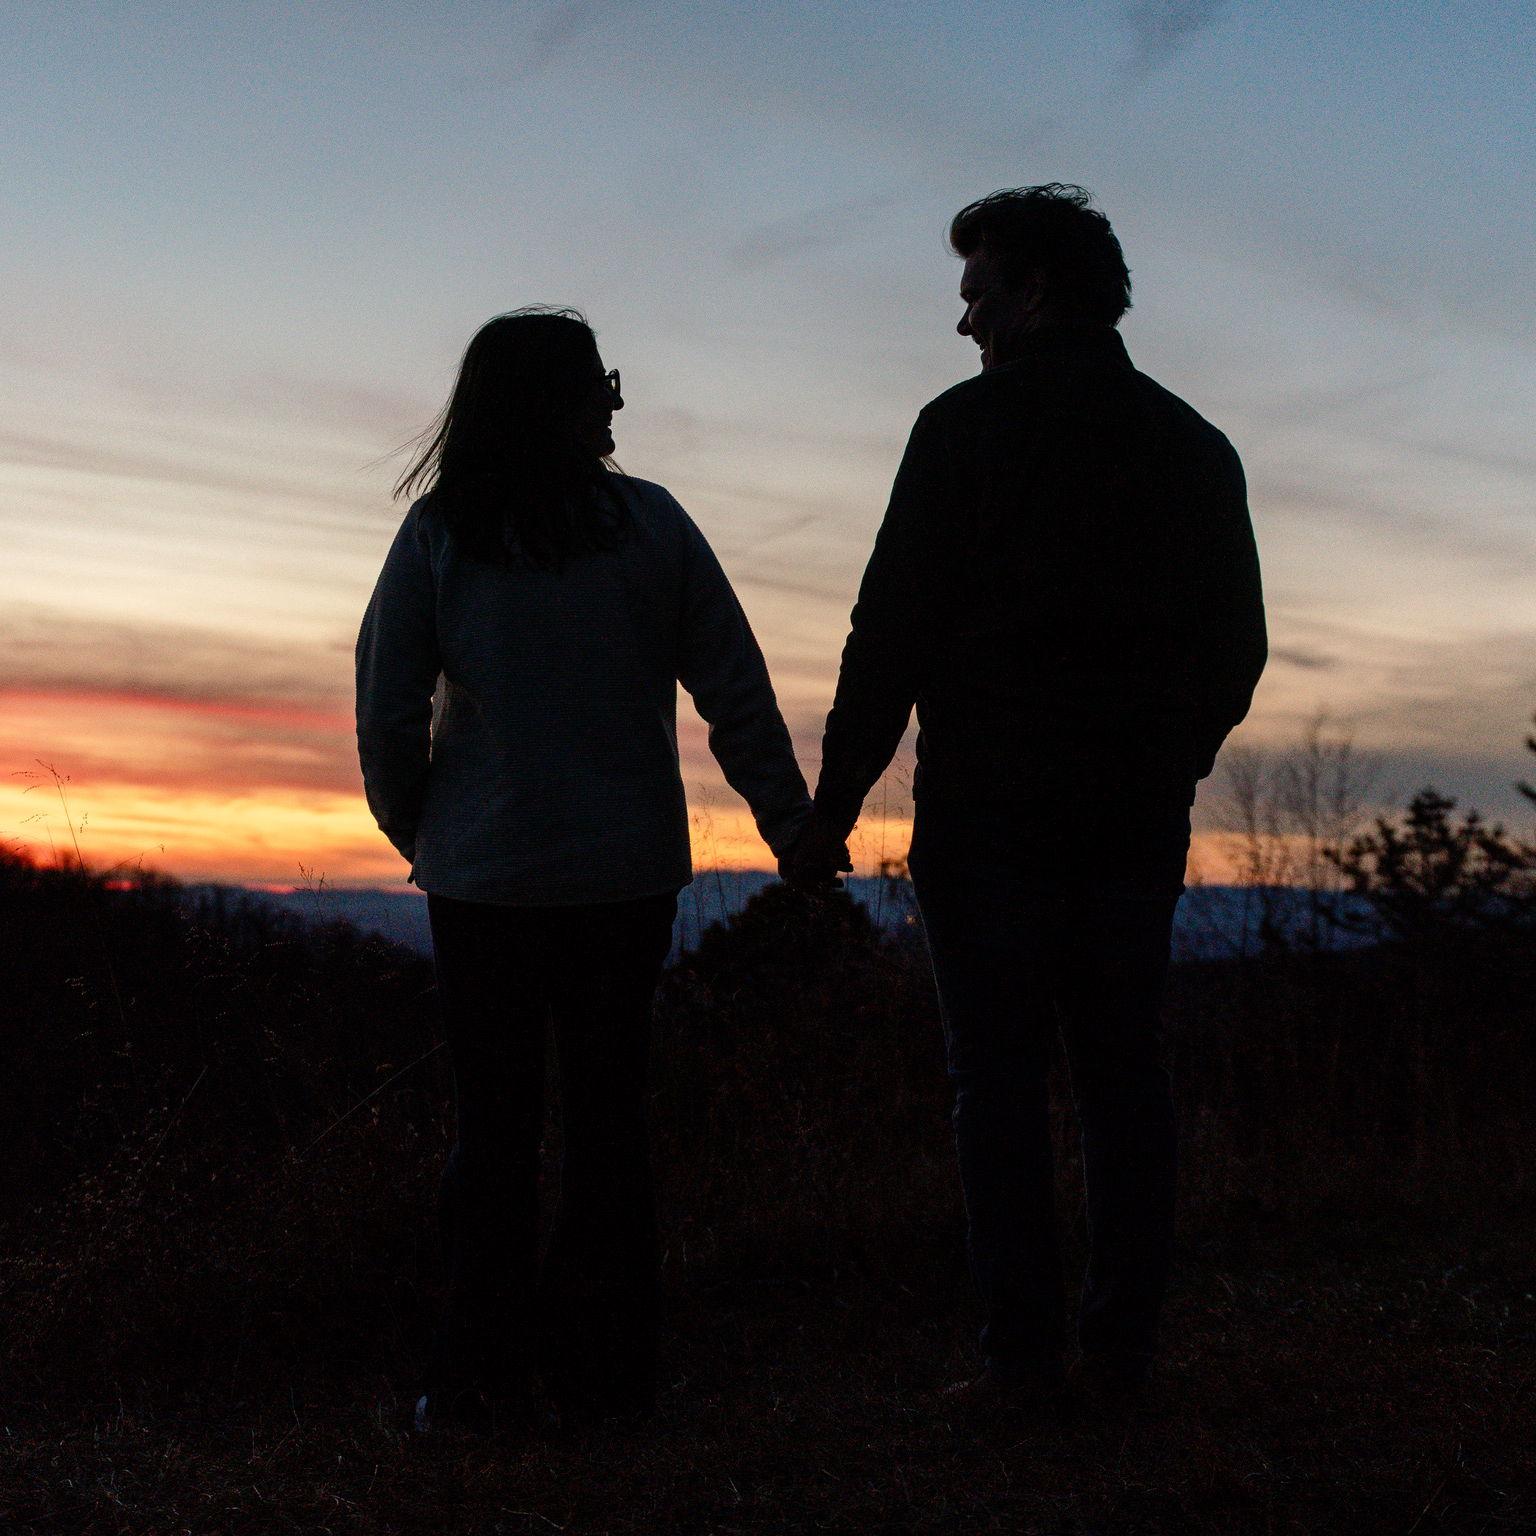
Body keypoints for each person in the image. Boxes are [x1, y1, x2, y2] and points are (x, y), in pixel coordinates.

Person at [784, 185, 1267, 1416]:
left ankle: (1020, 1362)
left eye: (977, 296)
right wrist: (1173, 758)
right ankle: (1119, 1358)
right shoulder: (1193, 445)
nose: (964, 326)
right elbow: (1239, 647)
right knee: (1122, 1073)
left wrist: (830, 805)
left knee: (993, 1081)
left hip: (987, 810)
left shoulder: (964, 430)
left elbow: (887, 631)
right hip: (1129, 813)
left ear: (1034, 291)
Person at [356, 308, 824, 1434]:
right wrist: (790, 828)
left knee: (496, 1130)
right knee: (608, 1128)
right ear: (562, 401)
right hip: (622, 879)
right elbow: (737, 691)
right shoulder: (651, 528)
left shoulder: (443, 534)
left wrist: (426, 830)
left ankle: (474, 1383)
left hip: (486, 886)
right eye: (603, 383)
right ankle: (607, 1380)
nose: (618, 402)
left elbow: (384, 707)